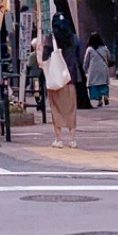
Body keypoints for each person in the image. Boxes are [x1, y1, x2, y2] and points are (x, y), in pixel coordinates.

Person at [41, 13, 83, 148]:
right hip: (70, 77)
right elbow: (79, 56)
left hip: (55, 78)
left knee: (56, 109)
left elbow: (45, 57)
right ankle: (72, 139)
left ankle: (59, 139)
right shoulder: (74, 38)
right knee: (71, 108)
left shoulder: (50, 39)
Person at [83, 32, 112, 107]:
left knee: (95, 84)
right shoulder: (105, 48)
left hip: (93, 69)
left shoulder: (89, 49)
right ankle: (105, 95)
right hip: (103, 68)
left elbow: (86, 60)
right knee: (103, 83)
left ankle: (99, 100)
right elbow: (109, 57)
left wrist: (84, 69)